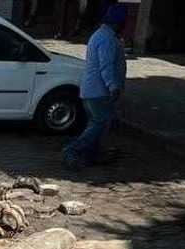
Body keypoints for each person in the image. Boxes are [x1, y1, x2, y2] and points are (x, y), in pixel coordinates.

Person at [63, 4, 127, 171]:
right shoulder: (107, 39)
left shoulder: (100, 35)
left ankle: (92, 155)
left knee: (96, 124)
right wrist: (113, 86)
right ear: (118, 23)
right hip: (99, 91)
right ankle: (72, 150)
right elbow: (106, 66)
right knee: (100, 124)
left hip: (91, 90)